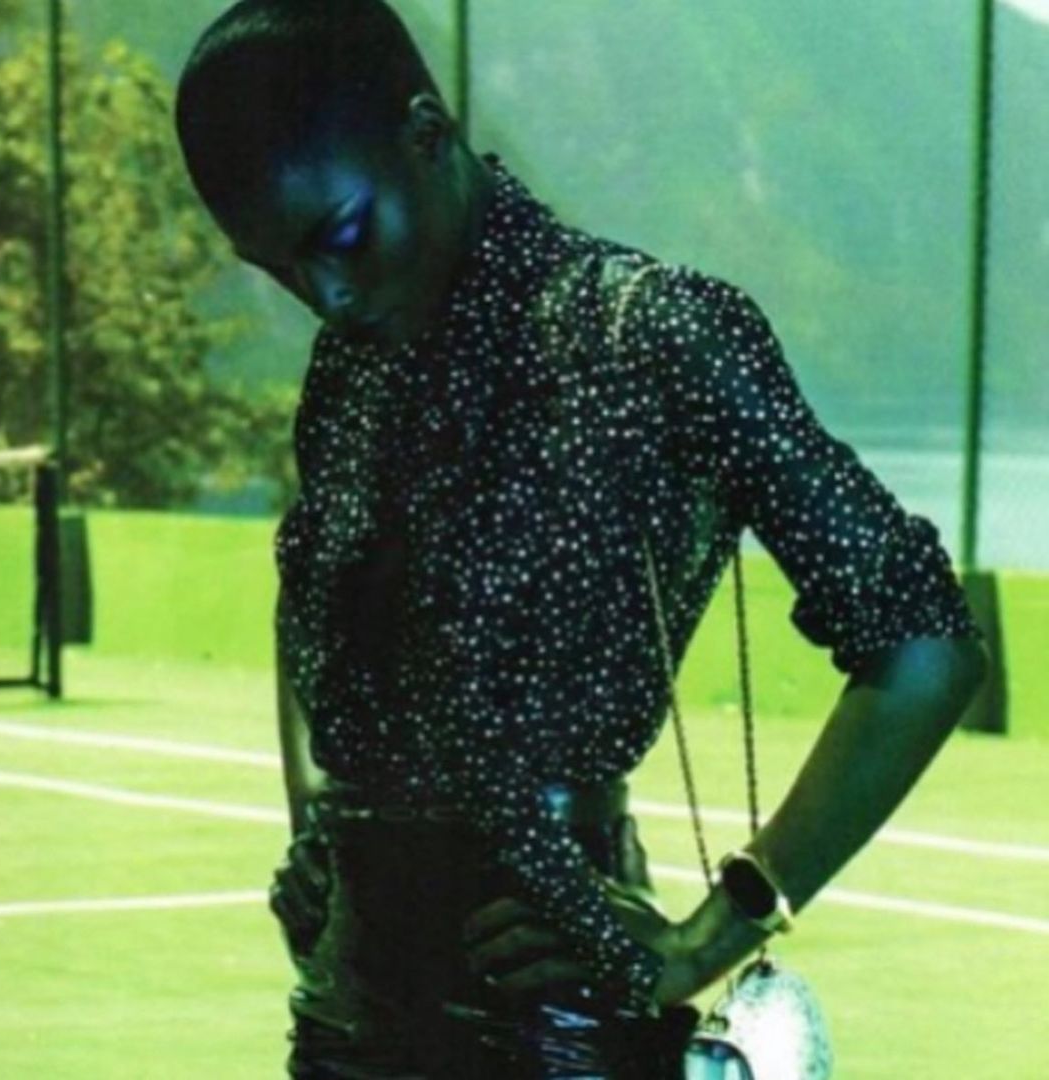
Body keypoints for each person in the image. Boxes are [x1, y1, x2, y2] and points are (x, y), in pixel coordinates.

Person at [174, 1, 989, 1075]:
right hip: (342, 1013)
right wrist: (314, 827)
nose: (320, 294)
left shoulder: (651, 335)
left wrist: (719, 929)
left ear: (427, 133)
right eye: (275, 265)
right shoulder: (354, 368)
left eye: (341, 236)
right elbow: (312, 598)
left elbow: (924, 642)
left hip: (553, 1015)